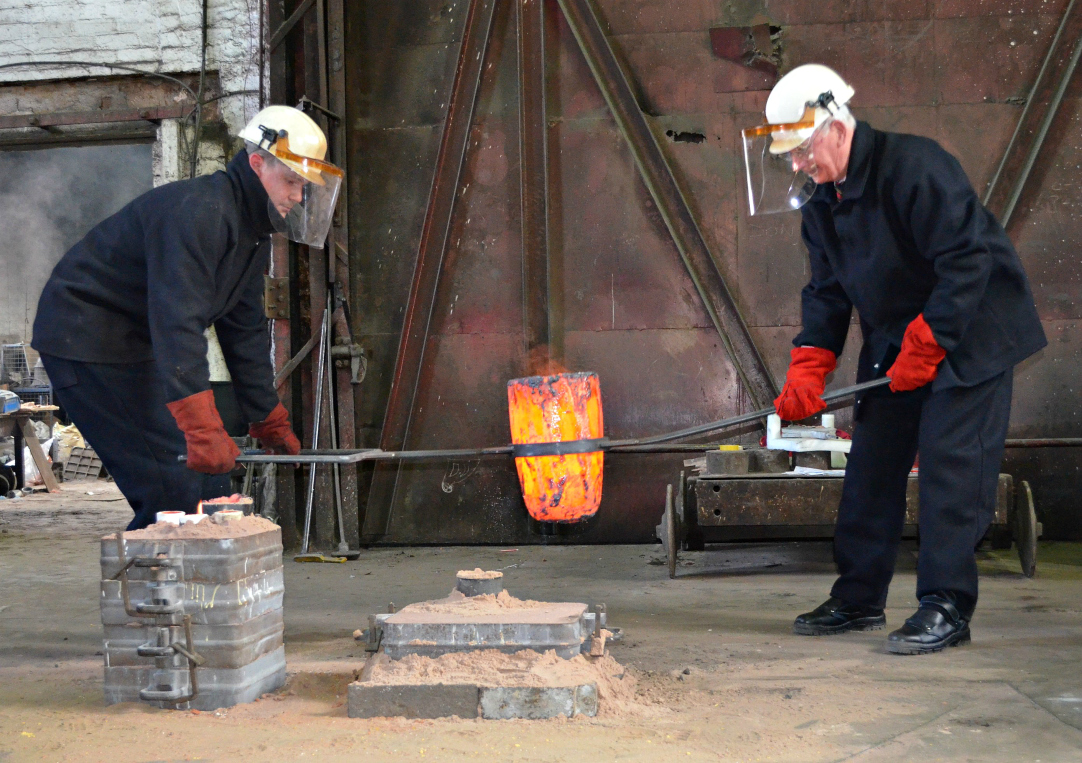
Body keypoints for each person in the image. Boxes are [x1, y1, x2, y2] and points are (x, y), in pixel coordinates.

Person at [742, 64, 1046, 654]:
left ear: (835, 125)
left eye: (802, 149)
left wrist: (929, 343)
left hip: (972, 330)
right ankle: (858, 597)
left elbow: (967, 262)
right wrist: (810, 364)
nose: (798, 164)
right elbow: (827, 291)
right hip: (898, 336)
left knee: (948, 465)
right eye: (789, 156)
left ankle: (946, 604)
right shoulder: (820, 201)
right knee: (872, 464)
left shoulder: (916, 166)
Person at [32, 105, 344, 530]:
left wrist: (267, 416)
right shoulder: (200, 212)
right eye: (291, 181)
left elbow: (245, 333)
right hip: (84, 339)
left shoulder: (250, 234)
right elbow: (176, 322)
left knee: (213, 486)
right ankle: (155, 591)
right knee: (172, 489)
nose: (297, 196)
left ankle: (207, 590)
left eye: (304, 186)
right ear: (257, 164)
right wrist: (200, 428)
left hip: (132, 343)